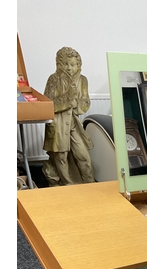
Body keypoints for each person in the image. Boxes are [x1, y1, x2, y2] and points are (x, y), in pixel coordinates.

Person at [42, 47, 95, 186]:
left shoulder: (82, 80)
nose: (70, 68)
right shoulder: (54, 79)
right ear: (59, 64)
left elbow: (85, 102)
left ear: (78, 65)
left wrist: (78, 103)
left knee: (83, 156)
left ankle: (89, 183)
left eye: (73, 64)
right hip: (58, 123)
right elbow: (48, 103)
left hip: (73, 123)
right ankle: (68, 186)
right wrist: (67, 99)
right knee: (61, 157)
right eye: (66, 64)